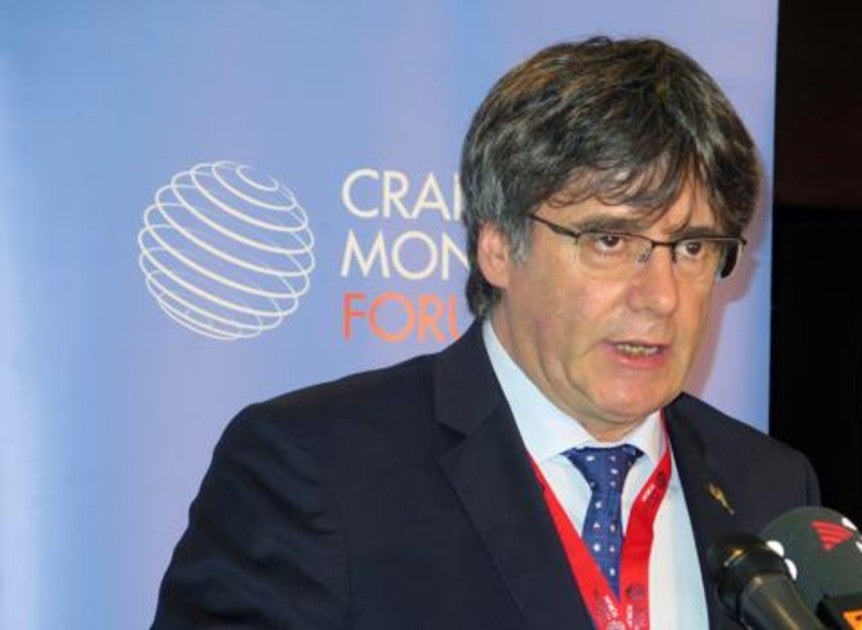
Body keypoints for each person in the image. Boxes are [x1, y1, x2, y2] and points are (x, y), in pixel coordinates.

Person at [153, 36, 818, 629]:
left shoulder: (769, 487)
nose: (661, 297)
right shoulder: (314, 469)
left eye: (693, 247)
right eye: (610, 241)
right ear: (497, 247)